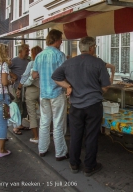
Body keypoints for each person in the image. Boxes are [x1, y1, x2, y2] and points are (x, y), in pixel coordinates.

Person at [52, 36, 110, 176]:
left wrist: (68, 86)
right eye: (94, 47)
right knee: (91, 135)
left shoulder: (69, 62)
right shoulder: (98, 63)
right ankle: (89, 166)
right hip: (93, 104)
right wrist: (97, 90)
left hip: (76, 105)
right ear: (91, 48)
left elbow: (55, 77)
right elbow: (106, 86)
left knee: (76, 135)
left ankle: (74, 163)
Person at [32, 29, 69, 161]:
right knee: (58, 123)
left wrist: (43, 77)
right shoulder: (60, 55)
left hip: (44, 93)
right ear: (57, 40)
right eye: (61, 39)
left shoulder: (39, 55)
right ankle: (60, 152)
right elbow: (66, 74)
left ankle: (42, 149)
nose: (62, 41)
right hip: (57, 92)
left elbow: (34, 75)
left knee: (44, 121)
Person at [16, 46, 43, 144]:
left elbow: (24, 78)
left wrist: (19, 88)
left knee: (32, 114)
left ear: (33, 54)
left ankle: (36, 137)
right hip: (43, 90)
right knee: (45, 113)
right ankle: (46, 133)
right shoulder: (44, 63)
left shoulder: (31, 63)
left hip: (31, 91)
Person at [9, 44, 30, 134]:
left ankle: (20, 124)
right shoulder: (14, 61)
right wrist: (13, 76)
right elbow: (6, 69)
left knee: (24, 106)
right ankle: (15, 127)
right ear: (21, 51)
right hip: (16, 87)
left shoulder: (28, 61)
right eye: (26, 50)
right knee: (17, 106)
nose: (28, 52)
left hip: (25, 87)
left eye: (28, 50)